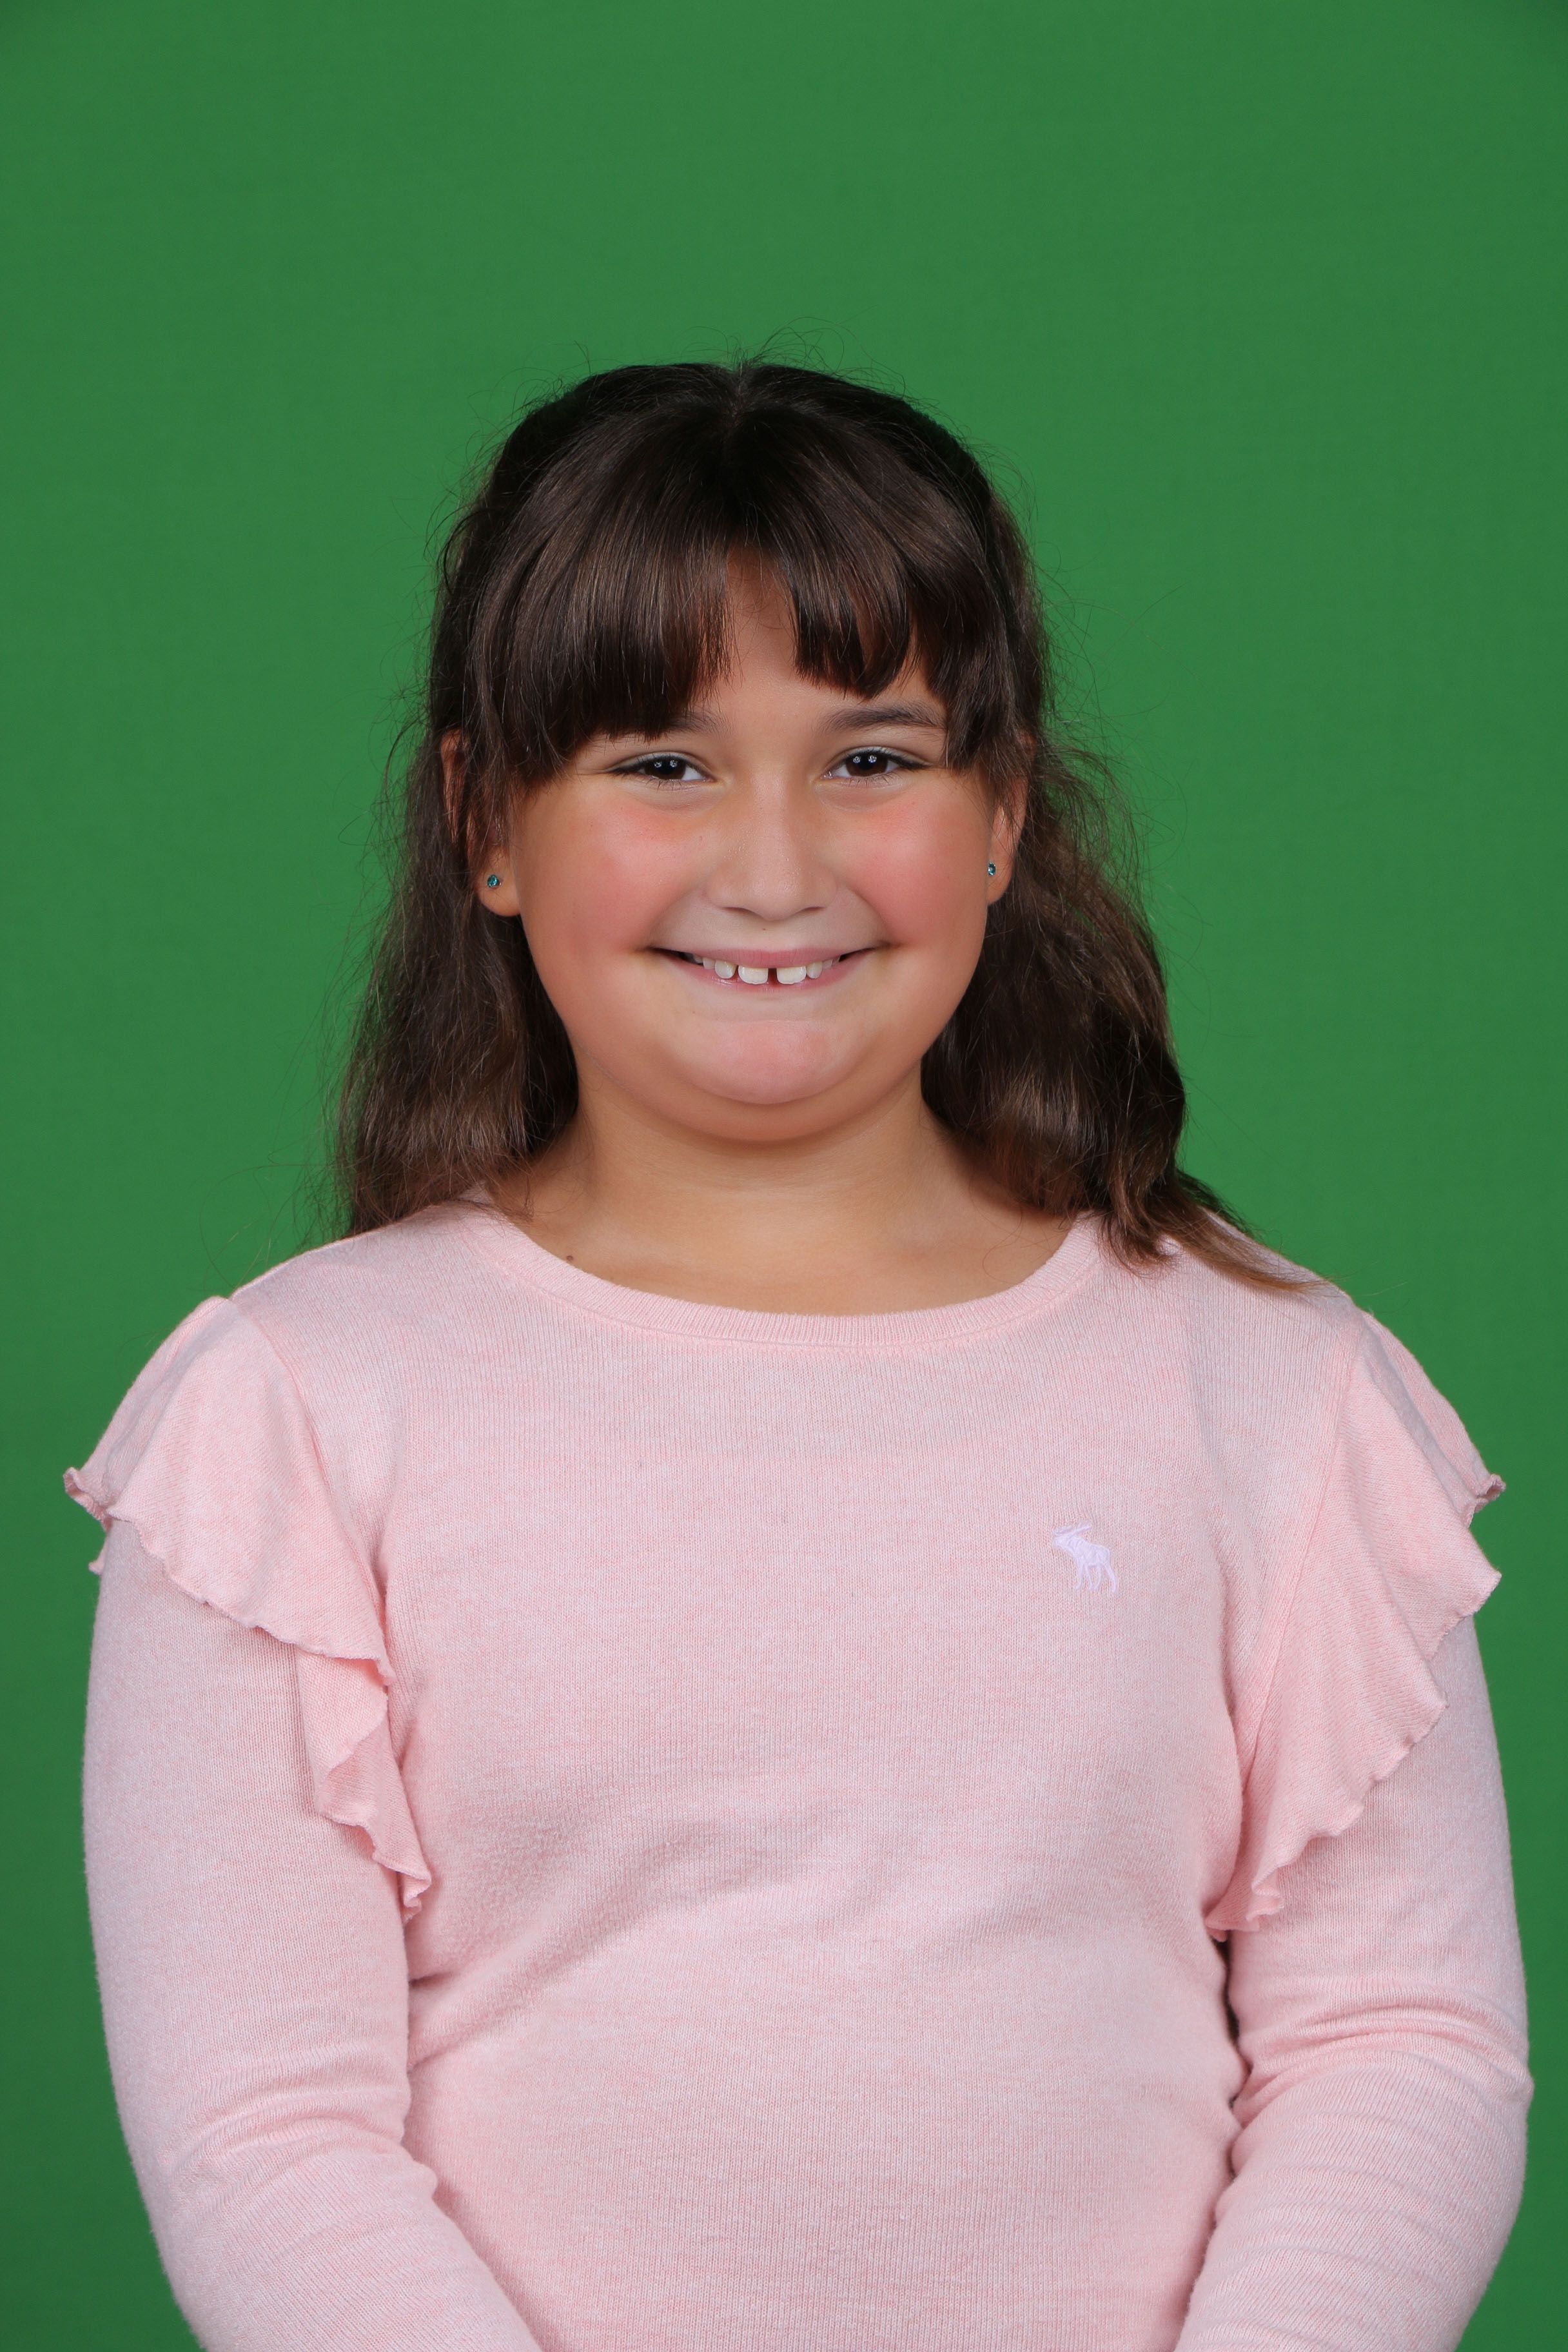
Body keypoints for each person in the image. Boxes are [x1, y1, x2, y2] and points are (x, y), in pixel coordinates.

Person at [70, 361, 1529, 2352]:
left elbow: (1401, 2042)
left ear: (1003, 813)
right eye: (664, 762)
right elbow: (266, 2130)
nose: (774, 866)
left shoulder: (1269, 1386)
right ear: (486, 822)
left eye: (873, 758)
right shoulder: (297, 1417)